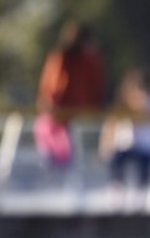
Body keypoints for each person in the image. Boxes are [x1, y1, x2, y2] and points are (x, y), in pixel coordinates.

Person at [36, 20, 106, 167]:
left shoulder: (89, 60)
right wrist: (51, 106)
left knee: (73, 161)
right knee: (55, 159)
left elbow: (96, 87)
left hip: (79, 116)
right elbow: (52, 89)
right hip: (59, 116)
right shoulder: (61, 58)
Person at [99, 67, 150, 190]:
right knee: (117, 162)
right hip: (124, 149)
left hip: (146, 151)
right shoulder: (120, 107)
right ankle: (117, 188)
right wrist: (105, 148)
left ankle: (142, 190)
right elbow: (110, 130)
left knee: (144, 173)